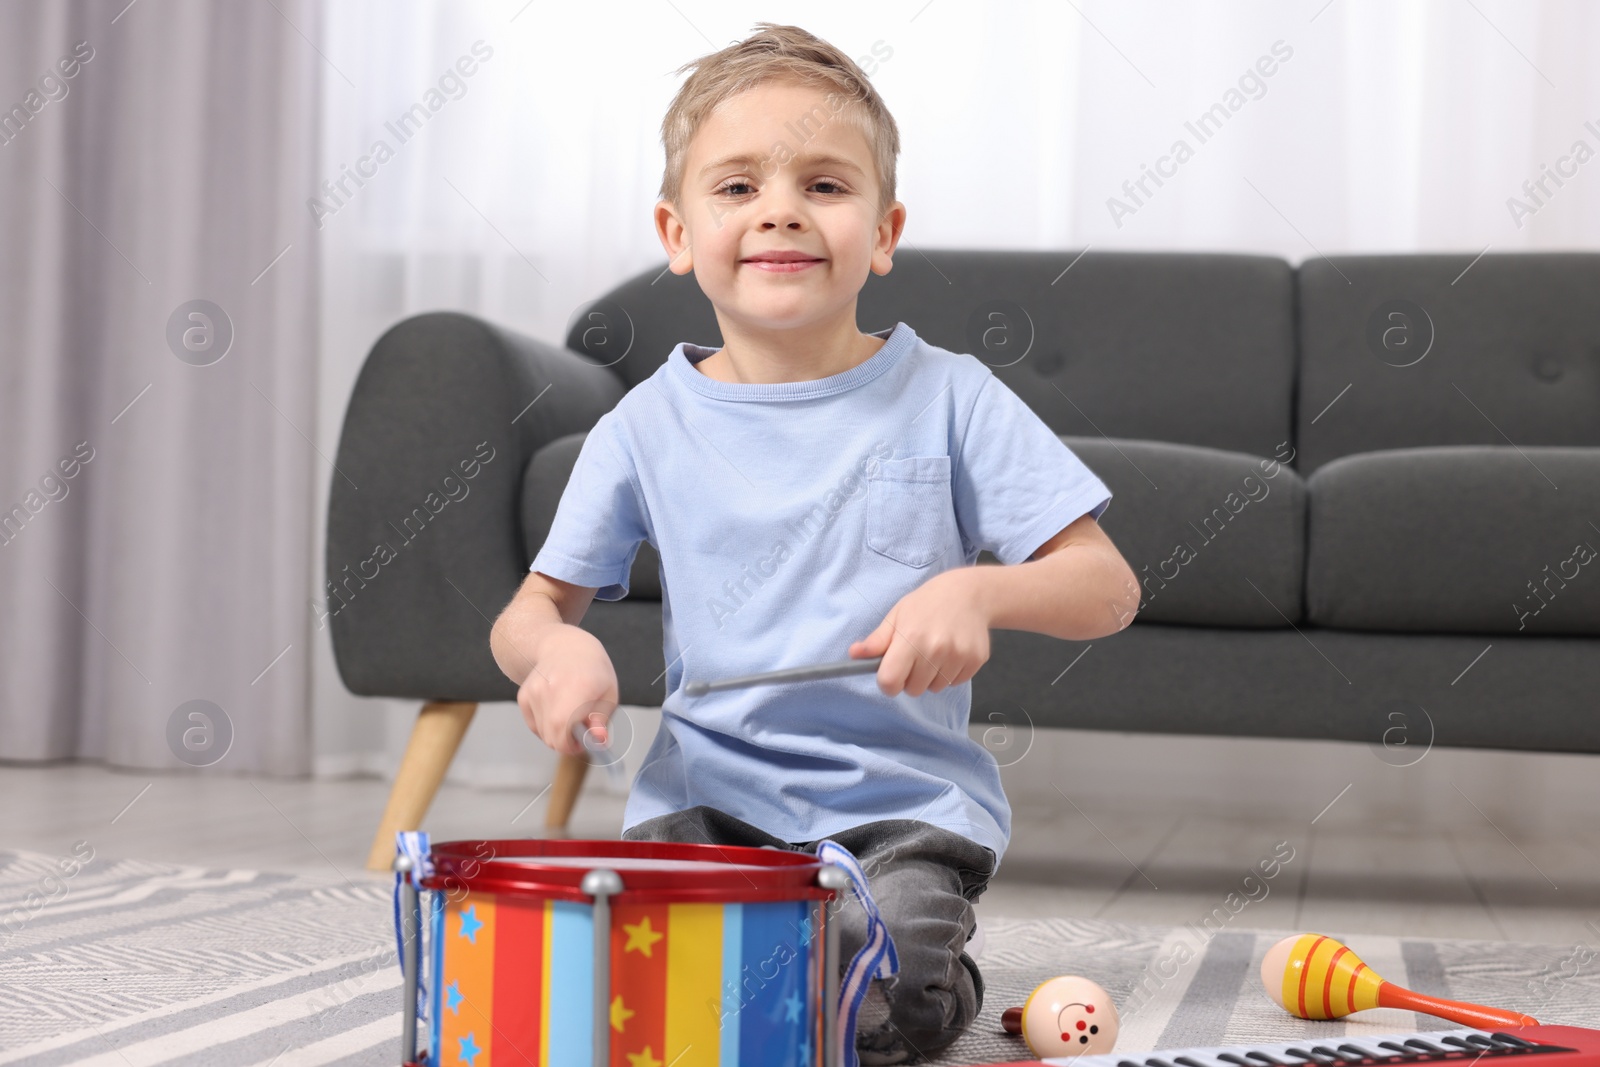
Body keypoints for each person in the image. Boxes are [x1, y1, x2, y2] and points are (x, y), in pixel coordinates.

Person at [490, 23, 1139, 1065]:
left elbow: (1105, 587)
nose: (780, 207)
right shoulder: (641, 428)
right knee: (624, 996)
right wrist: (555, 650)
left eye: (824, 185)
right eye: (737, 186)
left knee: (891, 1002)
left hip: (901, 817)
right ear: (675, 230)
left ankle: (909, 971)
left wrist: (980, 592)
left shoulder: (954, 397)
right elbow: (528, 613)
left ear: (882, 233)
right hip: (704, 810)